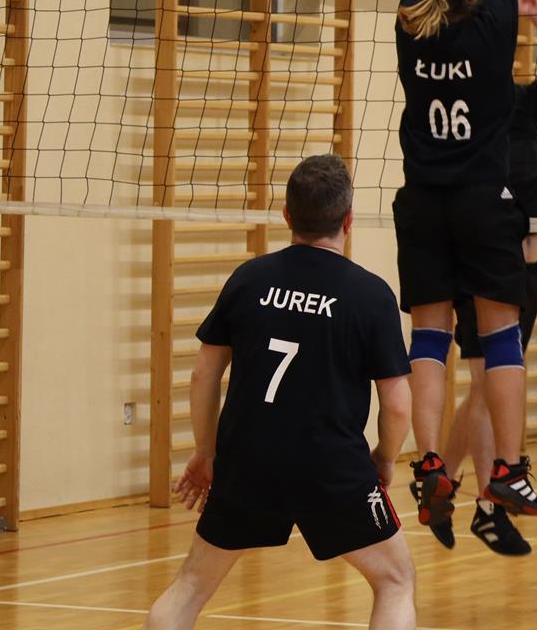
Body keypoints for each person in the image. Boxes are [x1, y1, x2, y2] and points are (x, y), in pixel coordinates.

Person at [145, 155, 415, 630]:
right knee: (395, 580)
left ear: (287, 215)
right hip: (331, 464)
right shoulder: (371, 295)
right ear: (348, 220)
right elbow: (396, 404)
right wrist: (385, 458)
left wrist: (206, 453)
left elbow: (203, 376)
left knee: (190, 586)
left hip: (248, 460)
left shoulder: (248, 279)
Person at [392, 0, 537, 534]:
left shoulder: (410, 30)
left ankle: (430, 461)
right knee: (500, 336)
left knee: (429, 335)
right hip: (484, 204)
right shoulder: (491, 30)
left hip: (422, 203)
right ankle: (507, 469)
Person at [435, 0, 537, 556]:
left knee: (486, 389)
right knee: (486, 387)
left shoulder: (521, 104)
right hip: (486, 261)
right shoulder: (464, 110)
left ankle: (443, 487)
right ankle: (484, 507)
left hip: (525, 269)